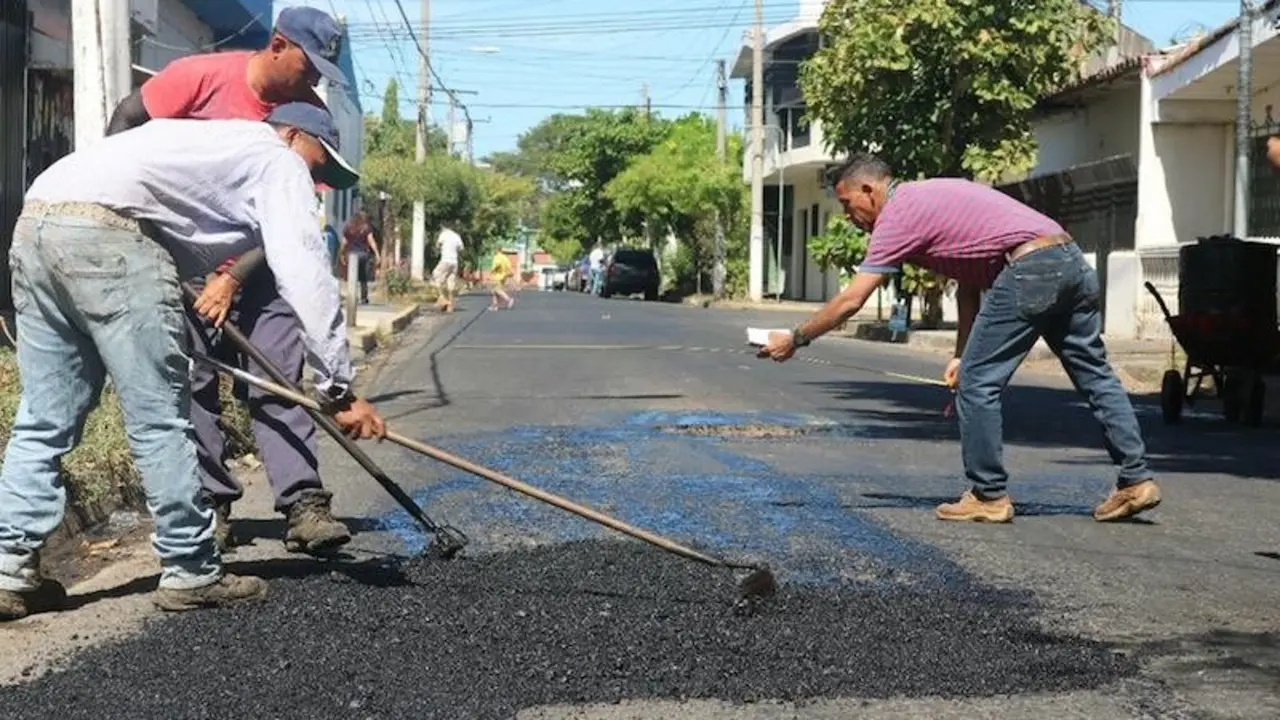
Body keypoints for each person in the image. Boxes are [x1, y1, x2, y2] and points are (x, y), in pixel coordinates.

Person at [0, 102, 386, 621]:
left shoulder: (207, 142)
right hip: (112, 238)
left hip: (38, 221)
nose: (316, 179)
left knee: (44, 415)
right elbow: (304, 272)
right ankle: (191, 569)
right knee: (159, 416)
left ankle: (7, 571)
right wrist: (338, 387)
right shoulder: (278, 160)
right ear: (293, 136)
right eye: (318, 164)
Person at [759, 153, 1161, 524]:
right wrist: (961, 355)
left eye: (847, 203)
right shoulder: (929, 196)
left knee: (978, 384)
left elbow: (851, 301)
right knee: (1095, 376)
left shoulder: (897, 215)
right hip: (1070, 260)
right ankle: (1136, 480)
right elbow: (970, 285)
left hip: (1030, 267)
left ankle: (988, 495)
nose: (848, 215)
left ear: (870, 189)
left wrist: (796, 338)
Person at [105, 6, 355, 555]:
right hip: (185, 260)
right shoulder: (201, 77)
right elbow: (127, 117)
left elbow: (288, 226)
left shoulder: (306, 119)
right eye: (308, 67)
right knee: (193, 381)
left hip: (257, 265)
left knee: (279, 373)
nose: (313, 83)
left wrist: (234, 279)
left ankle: (303, 501)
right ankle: (210, 504)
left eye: (320, 75)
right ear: (278, 44)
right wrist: (132, 222)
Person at [340, 212, 381, 305]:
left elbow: (344, 243)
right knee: (363, 277)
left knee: (352, 276)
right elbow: (371, 241)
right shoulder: (366, 228)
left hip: (351, 255)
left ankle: (351, 296)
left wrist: (342, 254)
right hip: (363, 255)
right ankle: (364, 298)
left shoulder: (348, 228)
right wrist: (377, 254)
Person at [432, 224, 464, 312]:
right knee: (450, 283)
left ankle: (442, 297)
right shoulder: (457, 236)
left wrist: (441, 248)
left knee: (436, 275)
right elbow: (461, 248)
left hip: (445, 260)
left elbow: (437, 245)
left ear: (444, 228)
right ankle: (450, 306)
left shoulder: (443, 234)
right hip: (454, 262)